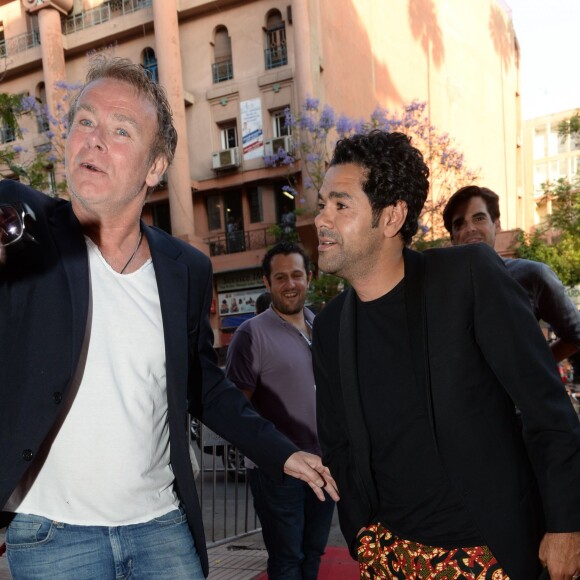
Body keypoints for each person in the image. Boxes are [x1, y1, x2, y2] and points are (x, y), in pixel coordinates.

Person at [0, 56, 338, 580]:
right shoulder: (25, 235)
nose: (94, 140)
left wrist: (282, 453)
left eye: (120, 130)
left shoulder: (186, 269)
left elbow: (203, 383)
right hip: (51, 538)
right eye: (84, 122)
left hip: (161, 528)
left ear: (155, 167)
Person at [312, 130, 580, 579]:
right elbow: (338, 443)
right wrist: (363, 537)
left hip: (487, 554)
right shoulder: (330, 326)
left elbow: (546, 408)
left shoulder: (467, 279)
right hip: (391, 557)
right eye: (322, 204)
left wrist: (567, 524)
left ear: (392, 216)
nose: (321, 219)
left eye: (340, 205)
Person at [226, 242, 335, 579]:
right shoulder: (250, 334)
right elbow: (233, 408)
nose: (290, 284)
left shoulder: (322, 328)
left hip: (323, 465)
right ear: (267, 282)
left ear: (310, 277)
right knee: (288, 558)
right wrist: (272, 452)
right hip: (277, 470)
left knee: (313, 552)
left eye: (297, 275)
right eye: (281, 277)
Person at [442, 185, 580, 363]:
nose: (470, 229)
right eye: (459, 223)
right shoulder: (441, 288)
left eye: (479, 218)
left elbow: (575, 334)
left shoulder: (532, 275)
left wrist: (535, 368)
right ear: (452, 237)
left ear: (496, 225)